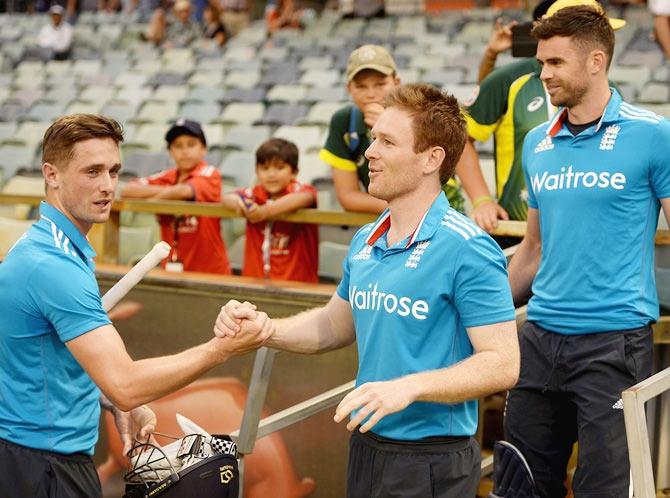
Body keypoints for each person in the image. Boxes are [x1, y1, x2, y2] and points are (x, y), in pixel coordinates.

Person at [217, 84, 520, 498]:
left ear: (432, 159)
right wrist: (267, 329)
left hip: (431, 458)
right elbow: (333, 324)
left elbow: (502, 363)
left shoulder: (467, 247)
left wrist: (409, 386)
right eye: (374, 137)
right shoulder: (366, 239)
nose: (369, 153)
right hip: (367, 444)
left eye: (387, 142)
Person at [0, 114, 272, 498]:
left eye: (113, 171)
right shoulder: (53, 266)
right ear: (51, 174)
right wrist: (222, 349)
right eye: (92, 171)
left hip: (36, 455)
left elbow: (49, 355)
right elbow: (127, 383)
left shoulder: (51, 246)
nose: (108, 186)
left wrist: (110, 400)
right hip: (42, 465)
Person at [504, 6, 670, 497]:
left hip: (614, 343)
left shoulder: (652, 134)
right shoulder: (538, 142)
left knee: (605, 488)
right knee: (523, 486)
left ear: (596, 61)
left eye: (555, 63)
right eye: (541, 63)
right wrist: (482, 314)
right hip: (539, 339)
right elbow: (532, 250)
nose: (543, 75)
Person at [457, 0, 626, 235]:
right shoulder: (508, 80)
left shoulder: (614, 93)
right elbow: (461, 138)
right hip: (517, 227)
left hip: (585, 231)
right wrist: (482, 200)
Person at [318, 44, 465, 214]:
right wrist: (401, 209)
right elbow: (348, 196)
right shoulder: (343, 121)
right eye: (361, 86)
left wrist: (388, 125)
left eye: (380, 84)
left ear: (396, 82)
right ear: (348, 88)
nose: (371, 94)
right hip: (394, 217)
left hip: (443, 209)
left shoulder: (422, 111)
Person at [121, 119, 231, 274]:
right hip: (172, 269)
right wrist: (169, 191)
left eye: (191, 144)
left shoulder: (210, 173)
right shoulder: (167, 176)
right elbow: (128, 190)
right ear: (170, 152)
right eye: (178, 146)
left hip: (210, 271)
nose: (185, 151)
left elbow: (184, 191)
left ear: (204, 149)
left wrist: (154, 201)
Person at [222, 138, 319, 283]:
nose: (271, 174)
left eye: (279, 168)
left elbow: (305, 197)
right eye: (265, 168)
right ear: (257, 171)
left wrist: (263, 212)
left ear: (294, 172)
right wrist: (241, 205)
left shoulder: (301, 191)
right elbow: (227, 198)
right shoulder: (254, 194)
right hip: (255, 283)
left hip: (296, 285)